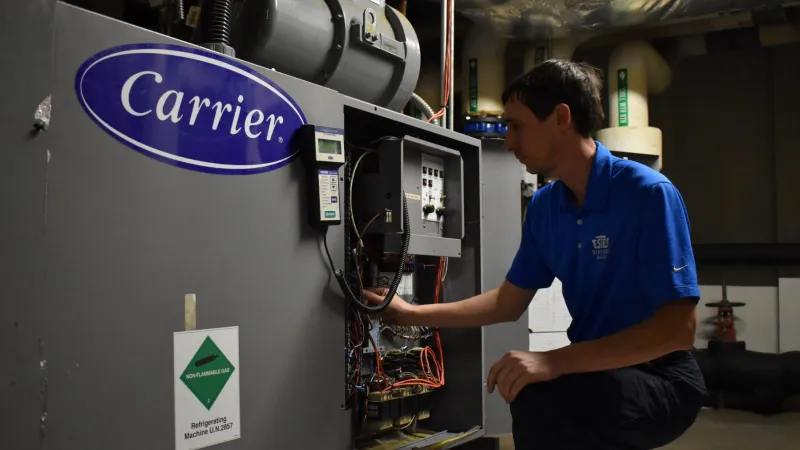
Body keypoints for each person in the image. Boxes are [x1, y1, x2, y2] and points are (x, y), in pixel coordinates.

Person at [363, 59, 707, 449]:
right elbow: (507, 303)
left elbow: (679, 330)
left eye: (517, 126)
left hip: (662, 376)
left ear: (561, 118)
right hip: (594, 370)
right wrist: (411, 314)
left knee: (565, 399)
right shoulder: (545, 207)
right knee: (533, 395)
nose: (508, 142)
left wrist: (554, 361)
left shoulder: (647, 194)